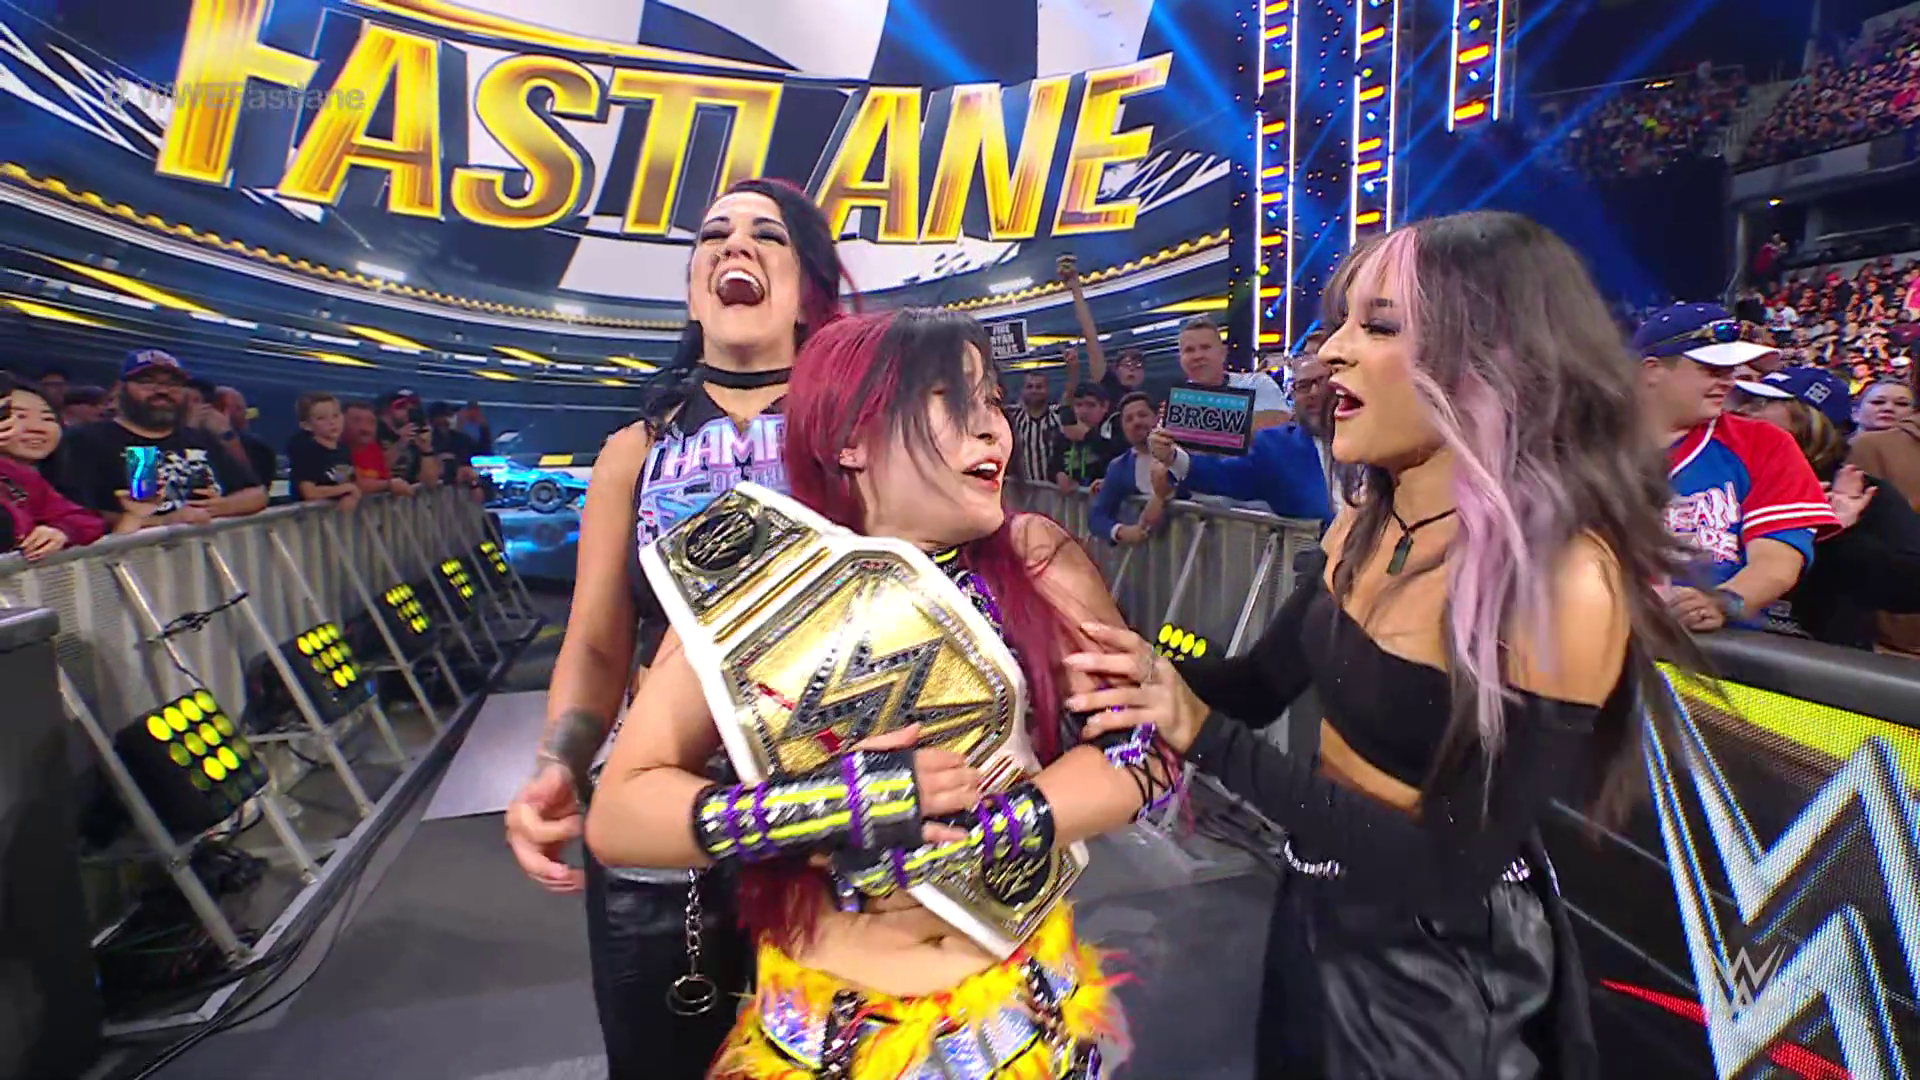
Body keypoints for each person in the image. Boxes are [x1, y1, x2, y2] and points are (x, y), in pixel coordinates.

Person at [1067, 211, 1700, 1079]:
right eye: (1341, 324)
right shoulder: (1366, 519)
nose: (1331, 353)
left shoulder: (1562, 577)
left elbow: (1448, 867)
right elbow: (1256, 685)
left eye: (1380, 326)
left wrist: (1200, 733)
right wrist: (1117, 659)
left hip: (1442, 978)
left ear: (1492, 358)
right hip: (1314, 906)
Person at [585, 308, 1177, 1078]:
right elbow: (621, 814)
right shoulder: (753, 595)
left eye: (994, 402)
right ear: (850, 438)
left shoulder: (1034, 557)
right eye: (951, 400)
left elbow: (1148, 750)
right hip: (820, 1036)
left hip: (1023, 1021)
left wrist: (986, 828)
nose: (991, 429)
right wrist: (835, 806)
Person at [504, 177, 852, 1079]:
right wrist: (558, 763)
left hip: (839, 805)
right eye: (714, 235)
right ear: (694, 291)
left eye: (768, 236)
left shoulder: (860, 435)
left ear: (808, 291)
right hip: (667, 809)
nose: (735, 246)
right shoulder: (634, 451)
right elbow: (595, 640)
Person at [1635, 303, 1840, 631]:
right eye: (1712, 370)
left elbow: (1778, 558)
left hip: (1714, 647)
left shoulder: (1764, 443)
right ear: (1652, 370)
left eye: (1731, 371)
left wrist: (1724, 600)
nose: (1728, 382)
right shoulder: (1584, 441)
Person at [1732, 369, 1920, 646]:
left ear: (1809, 418)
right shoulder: (1719, 469)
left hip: (1811, 657)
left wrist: (1835, 535)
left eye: (1762, 403)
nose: (1743, 411)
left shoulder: (1859, 491)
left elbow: (1910, 588)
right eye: (1745, 401)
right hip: (1710, 639)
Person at [64, 350, 266, 529]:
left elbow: (256, 494)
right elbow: (76, 513)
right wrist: (163, 522)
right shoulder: (86, 440)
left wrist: (219, 507)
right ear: (120, 388)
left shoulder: (199, 439)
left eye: (173, 383)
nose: (162, 390)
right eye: (147, 381)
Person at [0, 378, 105, 556]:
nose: (37, 428)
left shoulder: (24, 479)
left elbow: (85, 520)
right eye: (19, 416)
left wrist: (62, 531)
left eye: (47, 418)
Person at [1088, 391, 1187, 545]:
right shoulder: (1119, 466)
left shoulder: (1185, 453)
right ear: (1123, 427)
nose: (1136, 422)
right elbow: (1097, 516)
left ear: (1157, 418)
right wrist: (1120, 531)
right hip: (1150, 553)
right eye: (1129, 419)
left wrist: (1161, 496)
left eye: (1142, 415)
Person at [286, 392, 363, 507]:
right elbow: (310, 492)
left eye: (336, 416)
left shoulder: (344, 449)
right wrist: (347, 489)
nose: (332, 422)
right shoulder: (305, 450)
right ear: (306, 425)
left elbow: (353, 483)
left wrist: (350, 494)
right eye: (321, 418)